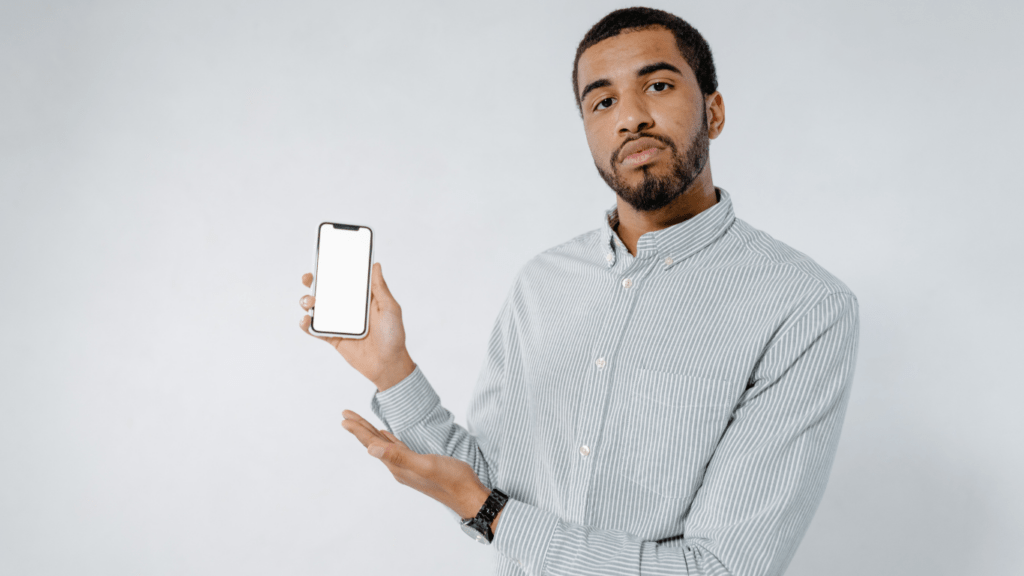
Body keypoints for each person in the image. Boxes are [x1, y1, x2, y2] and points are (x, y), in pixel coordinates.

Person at [298, 7, 859, 576]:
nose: (630, 118)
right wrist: (393, 372)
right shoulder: (543, 283)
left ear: (714, 112)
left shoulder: (804, 307)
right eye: (603, 101)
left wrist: (486, 511)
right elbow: (489, 492)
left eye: (658, 86)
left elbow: (719, 569)